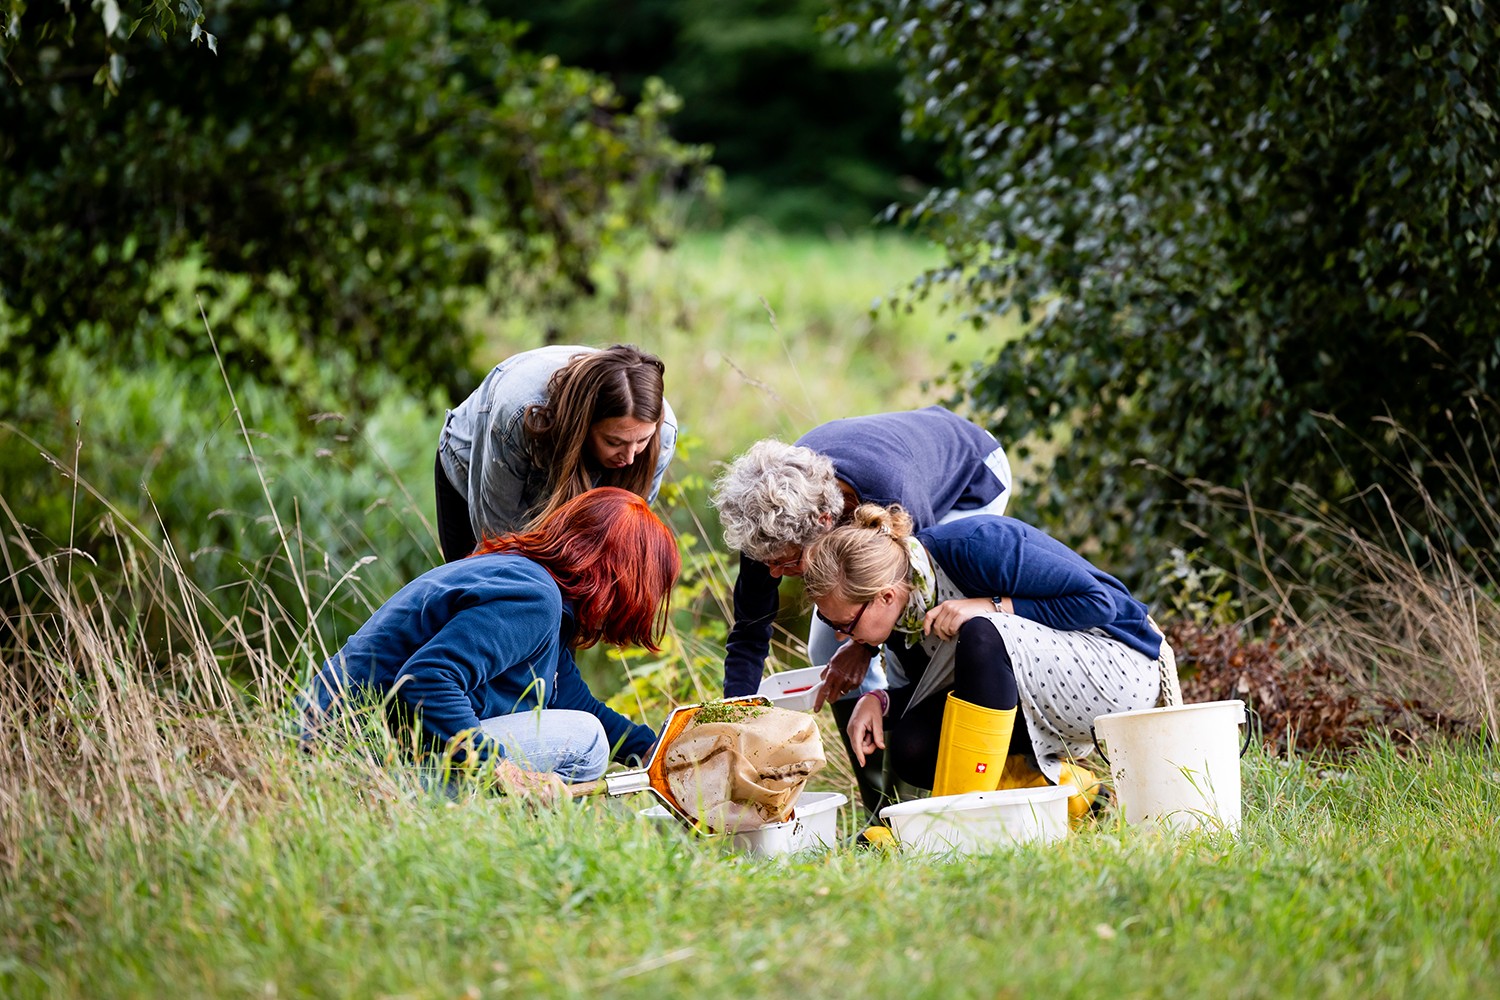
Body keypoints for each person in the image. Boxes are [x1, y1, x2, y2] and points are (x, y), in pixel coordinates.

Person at [710, 406, 1013, 816]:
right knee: (825, 648)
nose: (775, 573)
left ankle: (920, 801)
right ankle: (878, 805)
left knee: (922, 638)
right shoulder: (766, 527)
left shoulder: (888, 494)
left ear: (825, 524)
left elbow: (912, 594)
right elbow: (750, 630)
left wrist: (864, 647)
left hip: (969, 477)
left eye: (788, 563)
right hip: (893, 466)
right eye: (768, 564)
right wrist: (737, 718)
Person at [304, 487, 676, 803]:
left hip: (356, 748)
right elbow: (425, 679)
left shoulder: (534, 590)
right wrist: (501, 769)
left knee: (587, 725)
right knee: (587, 740)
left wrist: (655, 749)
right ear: (623, 578)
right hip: (360, 762)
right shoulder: (534, 600)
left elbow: (572, 702)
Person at [800, 502, 1164, 822]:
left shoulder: (975, 545)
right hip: (1035, 694)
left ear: (885, 596)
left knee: (982, 631)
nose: (841, 638)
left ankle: (955, 822)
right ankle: (1076, 794)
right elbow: (968, 687)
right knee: (913, 747)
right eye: (831, 624)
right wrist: (879, 701)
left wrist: (991, 606)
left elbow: (1099, 603)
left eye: (845, 624)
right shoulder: (902, 621)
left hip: (1117, 671)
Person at [435, 343, 678, 562]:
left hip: (558, 465)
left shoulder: (663, 433)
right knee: (484, 582)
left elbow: (621, 540)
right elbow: (497, 541)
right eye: (614, 442)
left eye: (642, 440)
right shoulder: (518, 415)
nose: (630, 457)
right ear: (585, 424)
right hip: (474, 466)